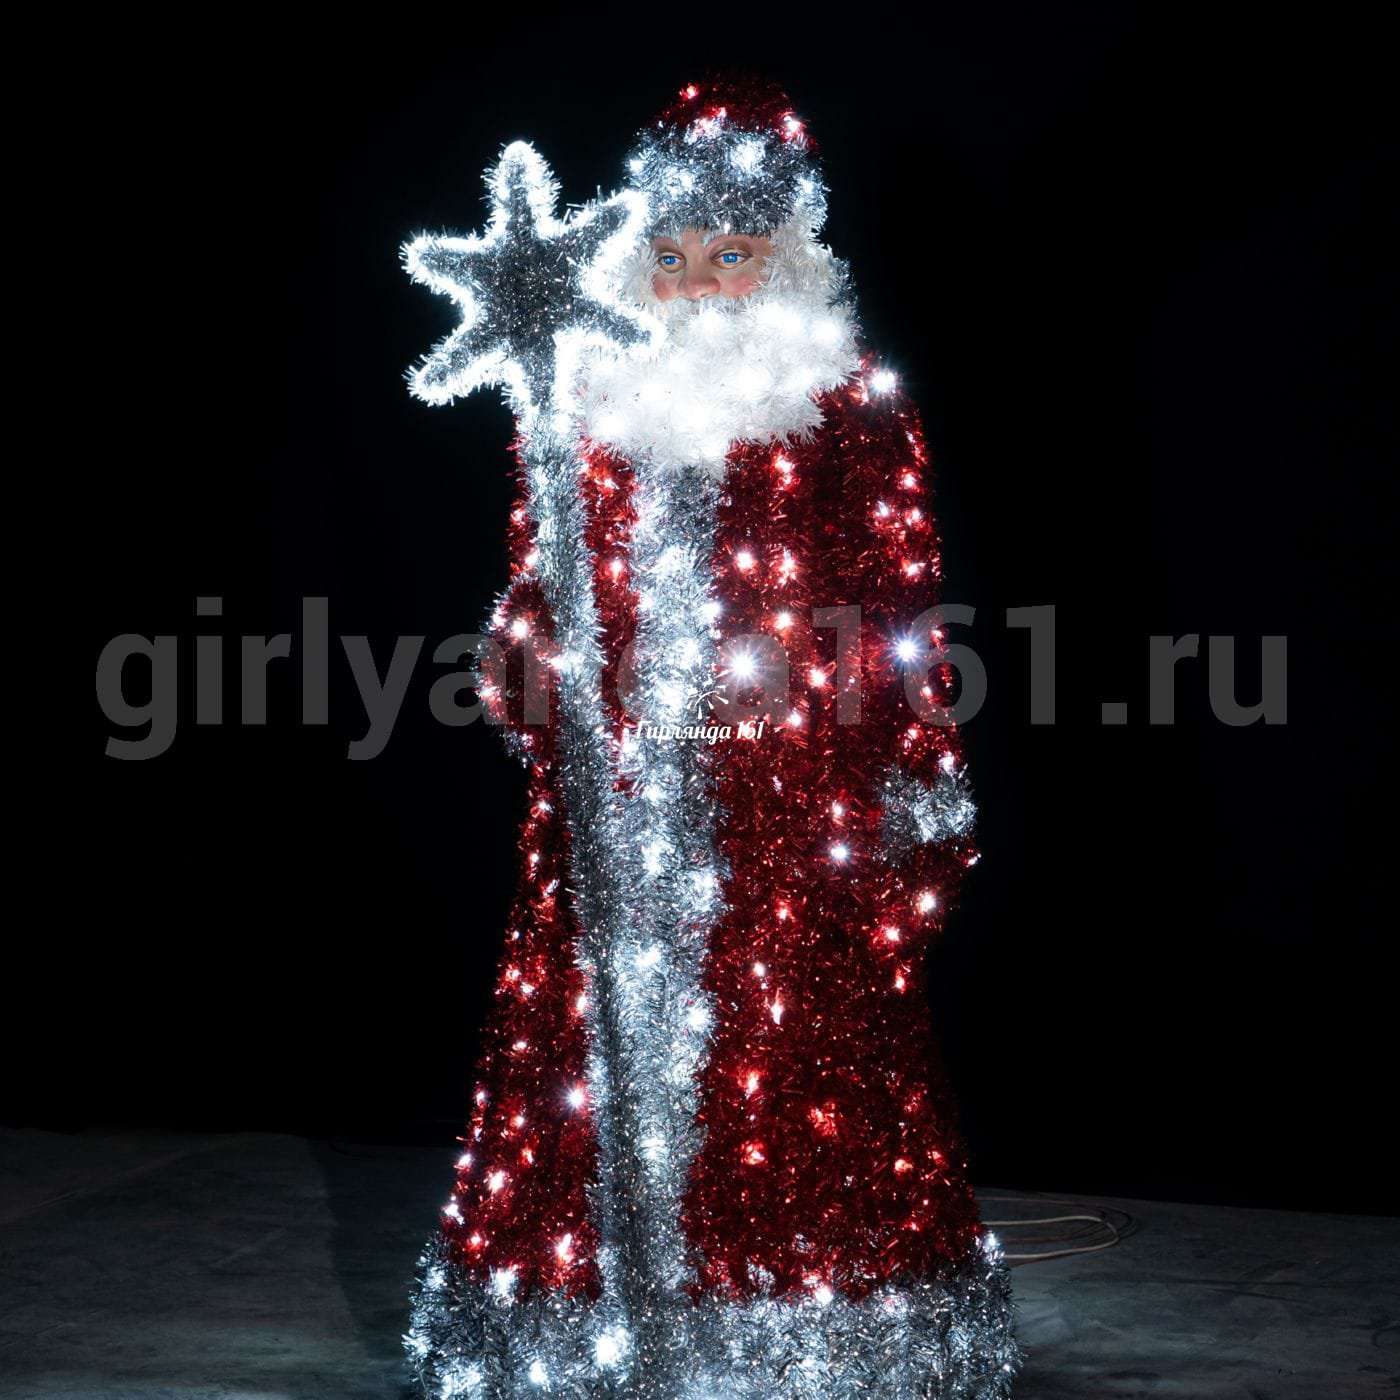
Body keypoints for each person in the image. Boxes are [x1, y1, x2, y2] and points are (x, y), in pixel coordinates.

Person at [403, 70, 1022, 1399]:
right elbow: (540, 574)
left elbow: (897, 598)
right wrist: (528, 657)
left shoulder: (846, 405)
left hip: (789, 801)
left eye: (732, 256)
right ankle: (578, 1328)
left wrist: (908, 762)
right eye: (675, 254)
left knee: (791, 1054)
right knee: (592, 1044)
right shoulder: (588, 401)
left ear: (785, 254)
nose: (698, 284)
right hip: (622, 793)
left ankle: (814, 1335)